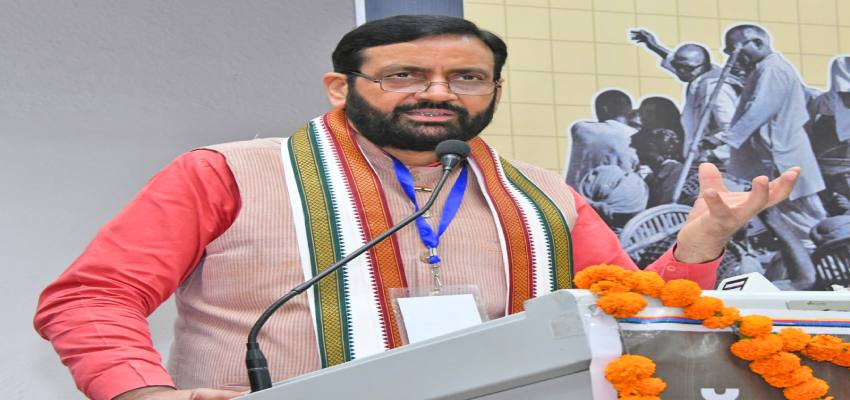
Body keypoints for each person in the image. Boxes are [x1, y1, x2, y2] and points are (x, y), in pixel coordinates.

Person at [34, 15, 801, 400]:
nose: (438, 92)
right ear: (340, 87)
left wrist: (699, 246)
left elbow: (624, 316)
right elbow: (92, 298)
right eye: (405, 74)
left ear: (494, 91)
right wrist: (144, 392)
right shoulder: (225, 173)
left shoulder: (546, 195)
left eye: (466, 78)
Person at [705, 24, 826, 249]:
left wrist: (725, 138)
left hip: (783, 154)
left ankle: (831, 255)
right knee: (790, 216)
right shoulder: (762, 69)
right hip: (775, 154)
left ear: (758, 43)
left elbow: (760, 109)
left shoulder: (773, 69)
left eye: (736, 49)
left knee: (806, 218)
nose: (734, 57)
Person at [630, 29, 742, 161]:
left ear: (704, 65)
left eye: (687, 68)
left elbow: (733, 127)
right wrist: (654, 46)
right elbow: (678, 61)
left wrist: (710, 147)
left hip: (718, 161)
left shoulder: (713, 88)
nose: (681, 71)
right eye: (677, 66)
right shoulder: (696, 74)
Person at [564, 89, 639, 187]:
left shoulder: (581, 128)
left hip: (574, 193)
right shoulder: (635, 136)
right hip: (619, 193)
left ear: (604, 109)